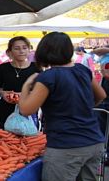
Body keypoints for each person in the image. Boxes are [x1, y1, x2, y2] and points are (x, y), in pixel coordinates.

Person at [19, 32, 106, 181]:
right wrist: (81, 107)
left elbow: (26, 110)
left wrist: (26, 86)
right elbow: (101, 96)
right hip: (94, 142)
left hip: (66, 146)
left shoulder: (48, 77)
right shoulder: (82, 70)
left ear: (44, 51)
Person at [0, 36, 39, 129]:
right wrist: (3, 93)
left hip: (28, 110)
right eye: (17, 48)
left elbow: (41, 90)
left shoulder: (36, 67)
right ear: (9, 52)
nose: (21, 51)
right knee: (3, 138)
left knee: (28, 139)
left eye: (25, 48)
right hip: (5, 109)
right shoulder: (3, 68)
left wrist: (24, 94)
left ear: (29, 50)